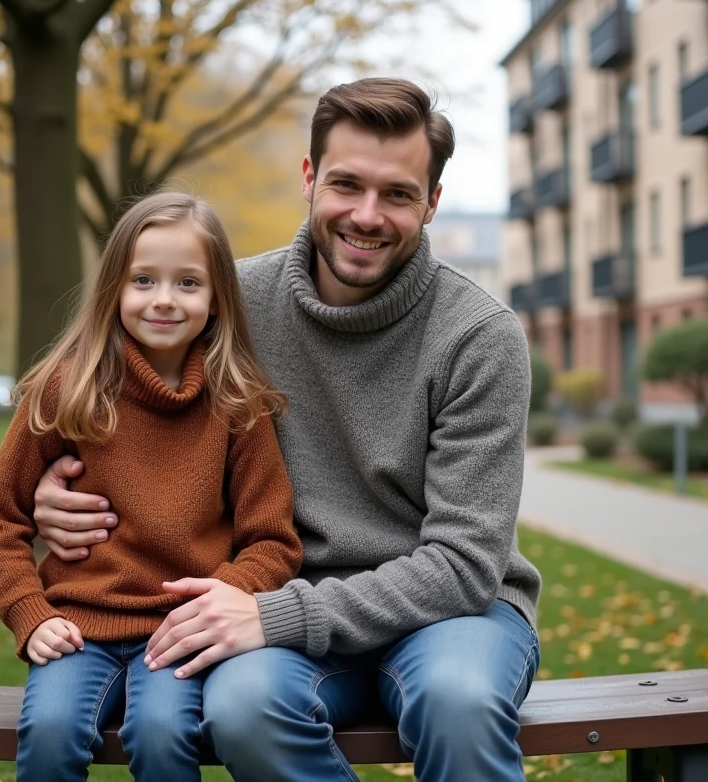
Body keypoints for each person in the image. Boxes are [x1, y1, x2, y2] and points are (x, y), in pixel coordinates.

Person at [30, 78, 543, 782]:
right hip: (276, 603)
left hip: (448, 616)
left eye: (397, 194)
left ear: (431, 203)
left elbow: (462, 565)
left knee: (459, 702)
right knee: (244, 709)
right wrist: (52, 492)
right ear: (309, 178)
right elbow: (113, 403)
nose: (367, 215)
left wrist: (276, 618)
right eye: (346, 184)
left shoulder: (479, 337)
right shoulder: (228, 304)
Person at [0, 192, 303, 782]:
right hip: (77, 627)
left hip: (179, 632)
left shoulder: (238, 406)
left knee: (162, 734)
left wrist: (221, 597)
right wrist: (29, 612)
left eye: (188, 283)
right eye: (143, 279)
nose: (164, 299)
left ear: (217, 298)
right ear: (113, 289)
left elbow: (272, 540)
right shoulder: (68, 389)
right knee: (49, 732)